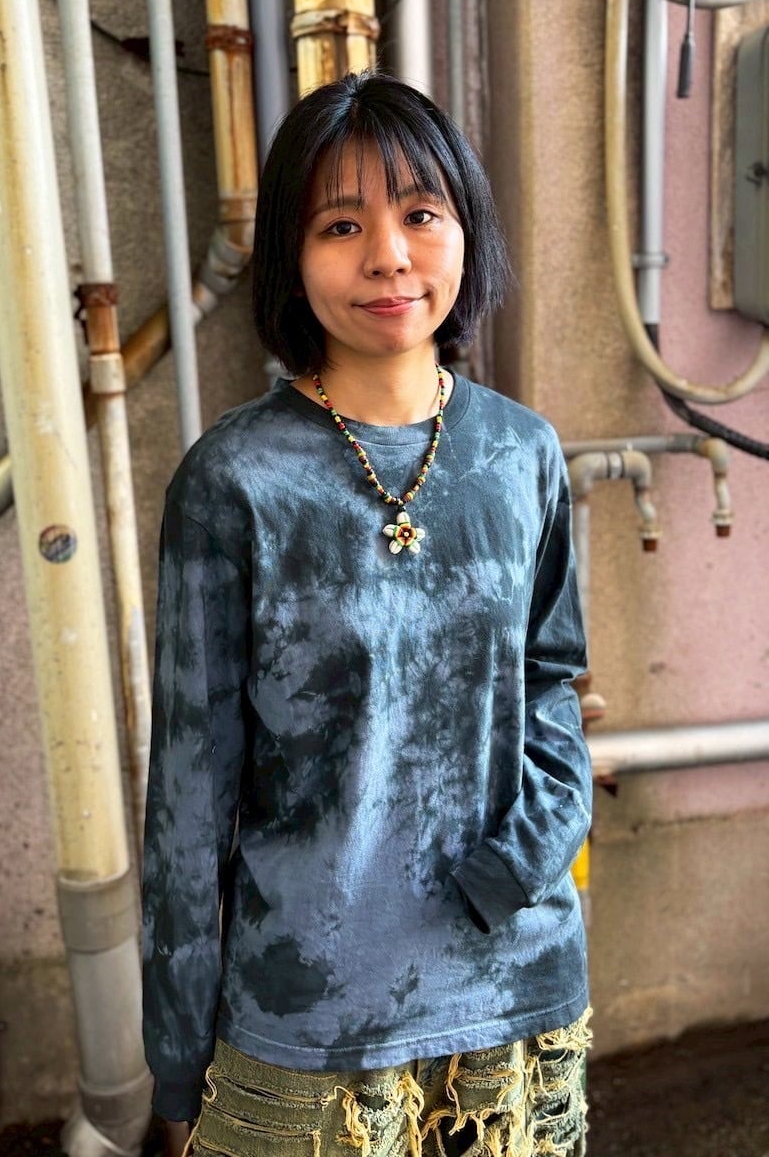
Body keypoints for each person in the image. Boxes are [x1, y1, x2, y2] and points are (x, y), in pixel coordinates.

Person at [142, 71, 592, 1157]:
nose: (389, 255)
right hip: (310, 1010)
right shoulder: (235, 480)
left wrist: (520, 860)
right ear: (291, 258)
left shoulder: (520, 453)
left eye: (420, 214)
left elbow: (552, 684)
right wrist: (177, 1052)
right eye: (342, 225)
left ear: (466, 230)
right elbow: (189, 796)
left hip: (516, 987)